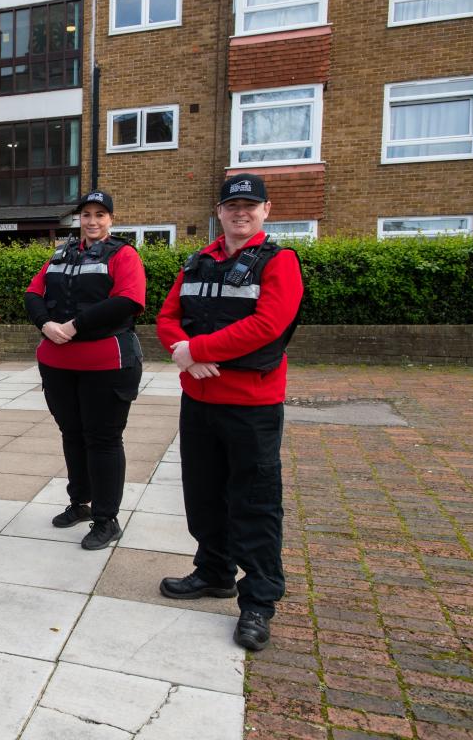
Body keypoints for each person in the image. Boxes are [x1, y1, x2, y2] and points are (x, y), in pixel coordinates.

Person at [156, 173, 303, 651]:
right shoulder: (198, 260)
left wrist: (195, 349)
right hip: (199, 402)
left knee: (255, 504)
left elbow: (268, 324)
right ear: (219, 211)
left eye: (250, 206)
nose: (241, 213)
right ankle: (213, 571)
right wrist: (185, 352)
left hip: (252, 406)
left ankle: (258, 601)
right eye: (232, 206)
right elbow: (166, 315)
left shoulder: (279, 262)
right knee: (203, 494)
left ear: (266, 211)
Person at [24, 190, 145, 550]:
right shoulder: (61, 254)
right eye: (87, 214)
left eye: (100, 214)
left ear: (111, 219)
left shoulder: (123, 255)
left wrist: (74, 325)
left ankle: (106, 519)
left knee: (103, 439)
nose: (92, 221)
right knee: (72, 434)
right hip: (58, 364)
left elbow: (127, 300)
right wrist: (45, 324)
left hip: (106, 363)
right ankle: (80, 503)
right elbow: (33, 293)